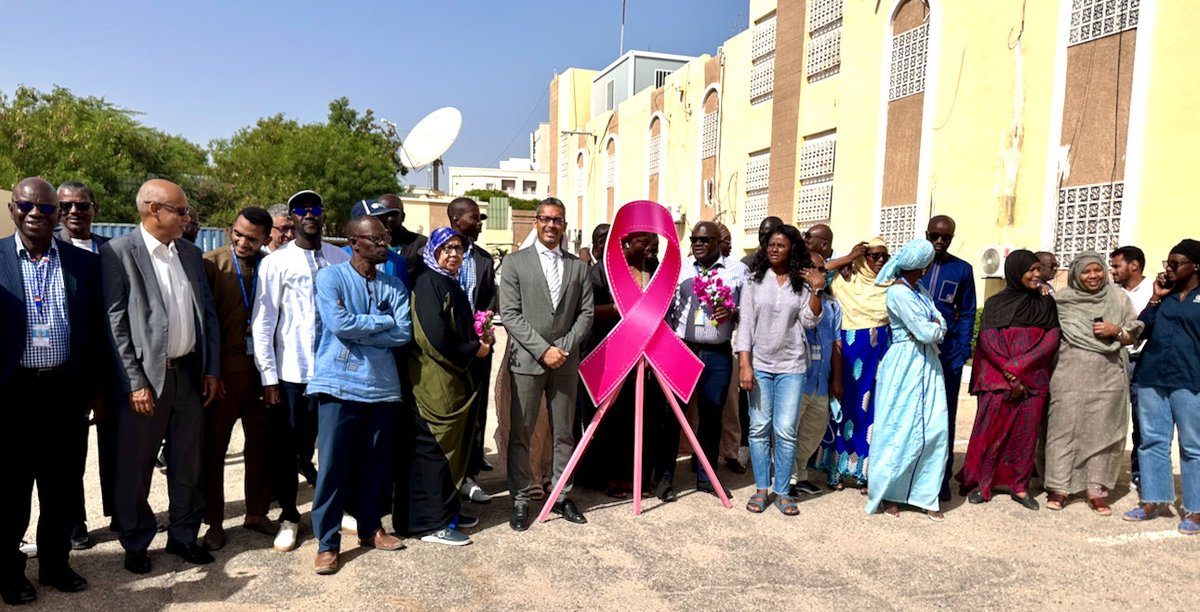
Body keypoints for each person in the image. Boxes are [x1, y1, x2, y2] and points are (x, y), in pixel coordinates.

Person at [101, 179, 222, 573]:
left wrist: (210, 369)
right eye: (180, 210)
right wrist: (134, 381)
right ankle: (136, 540)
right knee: (136, 466)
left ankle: (183, 535)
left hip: (188, 373)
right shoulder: (120, 252)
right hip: (146, 382)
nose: (187, 217)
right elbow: (116, 323)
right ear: (154, 211)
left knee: (187, 462)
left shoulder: (188, 252)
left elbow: (207, 315)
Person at [1, 178, 105, 605]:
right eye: (27, 206)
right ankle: (9, 572)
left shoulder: (83, 265)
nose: (35, 215)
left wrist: (95, 390)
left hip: (65, 391)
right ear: (13, 209)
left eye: (46, 209)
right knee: (10, 489)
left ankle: (56, 564)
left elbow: (96, 333)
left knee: (62, 485)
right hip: (12, 393)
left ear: (57, 214)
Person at [308, 216, 411, 574]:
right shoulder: (330, 277)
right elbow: (338, 325)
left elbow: (403, 333)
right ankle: (327, 543)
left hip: (382, 388)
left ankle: (371, 528)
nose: (385, 244)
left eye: (386, 238)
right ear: (354, 242)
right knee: (333, 467)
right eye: (377, 239)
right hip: (338, 385)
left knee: (376, 466)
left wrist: (362, 326)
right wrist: (380, 322)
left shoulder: (394, 285)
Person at [252, 190, 351, 552]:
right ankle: (290, 516)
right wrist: (269, 376)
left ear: (324, 216)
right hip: (292, 373)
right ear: (291, 219)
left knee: (333, 448)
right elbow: (264, 322)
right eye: (300, 210)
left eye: (315, 208)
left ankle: (333, 513)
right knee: (288, 449)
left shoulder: (340, 258)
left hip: (333, 371)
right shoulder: (276, 262)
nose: (309, 214)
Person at [501, 197, 594, 532]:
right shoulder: (515, 264)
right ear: (536, 223)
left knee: (563, 433)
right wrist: (543, 350)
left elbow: (586, 314)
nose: (551, 225)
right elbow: (510, 314)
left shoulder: (578, 267)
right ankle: (521, 499)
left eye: (558, 220)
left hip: (565, 363)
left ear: (564, 225)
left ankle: (562, 493)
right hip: (527, 360)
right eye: (545, 219)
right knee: (522, 432)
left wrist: (563, 348)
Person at [397, 227, 492, 546]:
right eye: (446, 248)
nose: (454, 254)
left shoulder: (445, 282)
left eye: (458, 249)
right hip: (433, 384)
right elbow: (433, 338)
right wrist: (473, 349)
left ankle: (447, 512)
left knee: (451, 451)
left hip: (452, 383)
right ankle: (428, 523)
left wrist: (478, 339)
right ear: (434, 252)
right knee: (433, 451)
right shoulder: (428, 284)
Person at [957, 250, 1060, 510]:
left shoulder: (1046, 303)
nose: (1036, 275)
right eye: (1031, 270)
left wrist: (1020, 366)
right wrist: (1010, 371)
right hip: (998, 379)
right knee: (993, 432)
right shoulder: (995, 303)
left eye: (1039, 269)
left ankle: (1020, 486)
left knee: (1025, 435)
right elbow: (988, 340)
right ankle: (984, 482)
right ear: (1015, 271)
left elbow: (1051, 338)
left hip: (1032, 378)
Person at [199, 207, 276, 551]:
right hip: (224, 374)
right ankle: (214, 522)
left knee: (261, 445)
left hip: (262, 372)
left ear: (265, 239)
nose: (243, 242)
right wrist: (209, 372)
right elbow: (203, 323)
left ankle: (256, 513)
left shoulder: (271, 264)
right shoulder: (212, 263)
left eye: (252, 238)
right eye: (238, 234)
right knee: (215, 448)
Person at [1044, 252, 1142, 514]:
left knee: (1103, 433)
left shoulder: (1119, 299)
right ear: (1076, 273)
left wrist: (1116, 331)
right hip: (1068, 375)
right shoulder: (1060, 301)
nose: (1093, 276)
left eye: (1097, 270)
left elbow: (1132, 336)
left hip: (1108, 376)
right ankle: (1059, 487)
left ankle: (1096, 489)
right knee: (1063, 429)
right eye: (1086, 271)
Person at [736, 226, 825, 516]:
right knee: (759, 428)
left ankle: (783, 490)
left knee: (785, 430)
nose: (774, 249)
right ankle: (762, 489)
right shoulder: (754, 281)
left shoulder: (800, 283)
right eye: (770, 245)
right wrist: (745, 364)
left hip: (792, 366)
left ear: (792, 250)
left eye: (781, 245)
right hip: (759, 365)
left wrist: (817, 288)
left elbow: (810, 321)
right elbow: (745, 326)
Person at [864, 239, 949, 521]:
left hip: (927, 365)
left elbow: (939, 323)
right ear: (923, 267)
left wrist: (935, 327)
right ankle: (890, 493)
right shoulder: (898, 293)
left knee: (933, 428)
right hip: (904, 365)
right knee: (898, 429)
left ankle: (925, 494)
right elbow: (927, 331)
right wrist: (934, 328)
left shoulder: (920, 291)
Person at [575, 231, 663, 499]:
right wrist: (620, 309)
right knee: (609, 418)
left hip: (645, 357)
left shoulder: (654, 270)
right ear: (625, 244)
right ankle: (608, 477)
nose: (648, 247)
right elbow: (588, 311)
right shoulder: (602, 272)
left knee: (639, 417)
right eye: (641, 241)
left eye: (650, 241)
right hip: (608, 352)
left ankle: (634, 476)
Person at [666, 220, 748, 499]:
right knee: (673, 414)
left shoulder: (738, 271)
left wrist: (732, 313)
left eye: (704, 240)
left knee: (713, 417)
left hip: (717, 354)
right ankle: (665, 479)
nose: (698, 244)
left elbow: (747, 316)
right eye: (694, 240)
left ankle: (706, 477)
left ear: (718, 242)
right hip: (683, 350)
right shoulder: (681, 268)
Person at [1123, 239, 1200, 533]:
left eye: (1175, 263)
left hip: (1190, 379)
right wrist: (1155, 298)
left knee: (1193, 446)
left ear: (1196, 266)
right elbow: (1142, 328)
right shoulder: (1165, 296)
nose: (1168, 268)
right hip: (1151, 377)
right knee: (1152, 440)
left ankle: (1195, 509)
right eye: (1167, 263)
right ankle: (1152, 501)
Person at [54, 180, 113, 550]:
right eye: (66, 206)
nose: (74, 211)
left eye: (82, 205)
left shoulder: (112, 250)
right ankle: (75, 523)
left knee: (117, 447)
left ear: (95, 209)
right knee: (69, 455)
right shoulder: (48, 249)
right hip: (70, 371)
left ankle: (122, 514)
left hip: (112, 365)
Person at [816, 238, 891, 490]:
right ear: (862, 257)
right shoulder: (843, 281)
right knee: (842, 410)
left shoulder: (891, 285)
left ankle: (865, 472)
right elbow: (819, 270)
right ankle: (836, 470)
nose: (880, 260)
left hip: (877, 361)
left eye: (884, 256)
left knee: (872, 413)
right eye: (873, 255)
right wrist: (848, 257)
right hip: (847, 361)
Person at [919, 215, 977, 501]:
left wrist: (963, 349)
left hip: (948, 353)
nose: (940, 242)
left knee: (945, 416)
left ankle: (940, 479)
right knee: (914, 414)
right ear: (927, 234)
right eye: (935, 236)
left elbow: (967, 313)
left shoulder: (962, 269)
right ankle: (913, 476)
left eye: (946, 237)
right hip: (915, 354)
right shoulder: (913, 265)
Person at [447, 197, 498, 503]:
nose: (479, 223)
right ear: (455, 219)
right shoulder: (437, 254)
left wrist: (483, 333)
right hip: (447, 347)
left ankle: (470, 473)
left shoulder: (483, 259)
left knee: (476, 410)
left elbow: (490, 299)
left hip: (478, 346)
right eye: (474, 218)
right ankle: (447, 472)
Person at [790, 252, 843, 496]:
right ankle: (786, 478)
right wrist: (815, 291)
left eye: (822, 270)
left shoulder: (832, 305)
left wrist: (837, 378)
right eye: (813, 268)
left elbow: (836, 344)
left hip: (821, 382)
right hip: (797, 380)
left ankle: (800, 475)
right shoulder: (794, 297)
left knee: (814, 430)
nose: (819, 274)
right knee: (788, 430)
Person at [1110, 245, 1154, 487]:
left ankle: (1140, 473)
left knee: (1142, 420)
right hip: (1114, 361)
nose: (1112, 270)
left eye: (1117, 265)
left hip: (1141, 363)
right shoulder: (1111, 292)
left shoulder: (1155, 291)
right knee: (1108, 419)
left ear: (1134, 265)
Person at [341, 199, 410, 289]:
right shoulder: (339, 257)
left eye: (386, 223)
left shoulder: (398, 262)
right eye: (378, 223)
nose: (386, 229)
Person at [379, 193, 428, 279]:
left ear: (403, 217)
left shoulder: (421, 243)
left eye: (393, 214)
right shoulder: (370, 245)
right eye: (383, 215)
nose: (388, 219)